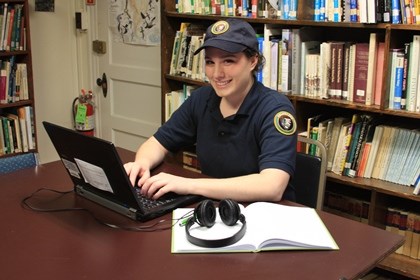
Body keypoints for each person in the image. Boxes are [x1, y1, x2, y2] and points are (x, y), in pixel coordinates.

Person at [124, 18, 297, 202]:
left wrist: (188, 185)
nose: (217, 74)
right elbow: (158, 143)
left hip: (265, 215)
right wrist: (142, 163)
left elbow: (272, 186)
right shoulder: (202, 98)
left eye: (228, 61)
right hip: (216, 208)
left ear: (253, 61)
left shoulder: (275, 109)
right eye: (210, 62)